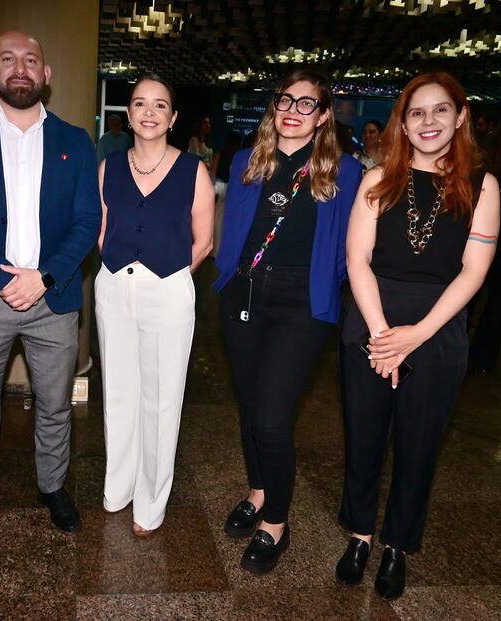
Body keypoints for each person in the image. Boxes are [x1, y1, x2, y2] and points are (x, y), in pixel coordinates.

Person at [0, 30, 101, 544]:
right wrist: (3, 278)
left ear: (46, 75)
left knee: (55, 406)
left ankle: (53, 487)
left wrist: (43, 277)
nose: (20, 67)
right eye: (8, 58)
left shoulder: (75, 140)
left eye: (31, 59)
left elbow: (87, 221)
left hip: (53, 297)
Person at [336, 72, 499, 600]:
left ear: (461, 116)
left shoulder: (482, 186)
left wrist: (417, 335)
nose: (429, 121)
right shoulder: (376, 179)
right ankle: (360, 535)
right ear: (403, 124)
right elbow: (357, 260)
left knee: (419, 446)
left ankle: (397, 545)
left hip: (438, 331)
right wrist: (383, 335)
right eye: (416, 112)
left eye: (440, 110)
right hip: (371, 323)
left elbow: (473, 272)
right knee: (363, 439)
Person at [214, 68, 362, 574]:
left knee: (272, 417)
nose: (293, 111)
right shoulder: (246, 161)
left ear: (323, 116)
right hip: (244, 292)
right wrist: (227, 275)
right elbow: (234, 226)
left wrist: (325, 282)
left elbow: (349, 246)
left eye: (306, 104)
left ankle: (276, 522)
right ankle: (258, 491)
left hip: (301, 302)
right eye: (285, 100)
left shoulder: (345, 171)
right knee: (250, 404)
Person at [96, 73, 214, 536]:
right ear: (128, 114)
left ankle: (150, 503)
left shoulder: (193, 170)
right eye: (140, 104)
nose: (149, 112)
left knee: (162, 400)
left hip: (168, 288)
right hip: (113, 286)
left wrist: (168, 275)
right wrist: (117, 270)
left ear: (173, 117)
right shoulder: (109, 167)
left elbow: (204, 241)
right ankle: (119, 486)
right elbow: (102, 229)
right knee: (118, 392)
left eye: (159, 105)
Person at [470, 105, 501, 371]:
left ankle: (457, 346)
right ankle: (483, 358)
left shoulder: (489, 151)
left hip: (480, 229)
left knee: (469, 292)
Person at [213, 131, 242, 256]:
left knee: (217, 219)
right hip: (231, 188)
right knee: (228, 221)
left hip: (219, 187)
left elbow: (213, 172)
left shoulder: (219, 154)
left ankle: (216, 250)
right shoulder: (239, 156)